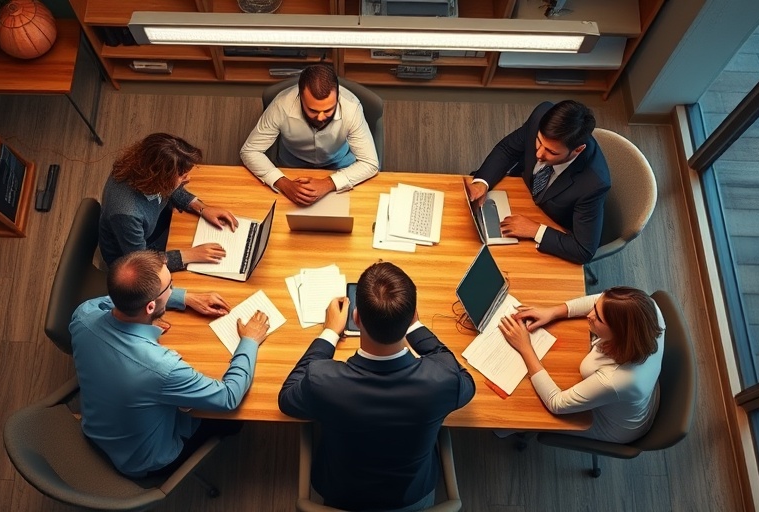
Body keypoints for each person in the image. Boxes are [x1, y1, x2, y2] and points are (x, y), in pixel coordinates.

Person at [278, 262, 475, 511]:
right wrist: (416, 327)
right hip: (413, 497)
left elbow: (287, 398)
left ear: (356, 318)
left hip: (341, 495)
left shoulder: (322, 380)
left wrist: (329, 332)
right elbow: (463, 378)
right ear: (412, 316)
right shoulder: (443, 380)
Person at [69, 250, 270, 477]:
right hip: (142, 461)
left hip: (97, 429)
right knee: (232, 422)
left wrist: (185, 298)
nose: (173, 289)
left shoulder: (84, 314)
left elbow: (115, 300)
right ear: (150, 307)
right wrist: (249, 341)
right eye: (170, 287)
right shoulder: (162, 368)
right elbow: (228, 397)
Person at [499, 286, 665, 443]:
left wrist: (525, 347)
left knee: (522, 410)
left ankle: (504, 429)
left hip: (611, 424)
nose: (589, 315)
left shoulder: (615, 379)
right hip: (629, 401)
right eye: (594, 307)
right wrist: (553, 312)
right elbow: (601, 301)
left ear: (619, 333)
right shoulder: (649, 311)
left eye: (598, 319)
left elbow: (557, 404)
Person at [467, 100, 611, 264]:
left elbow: (583, 251)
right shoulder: (541, 115)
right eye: (539, 141)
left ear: (578, 150)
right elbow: (508, 149)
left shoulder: (594, 184)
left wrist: (534, 230)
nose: (539, 154)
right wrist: (482, 182)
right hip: (521, 191)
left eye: (551, 151)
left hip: (552, 223)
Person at [240, 64, 379, 206]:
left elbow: (370, 163)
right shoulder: (281, 105)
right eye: (313, 110)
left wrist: (329, 183)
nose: (320, 117)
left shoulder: (351, 107)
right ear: (300, 96)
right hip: (291, 166)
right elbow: (250, 151)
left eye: (328, 110)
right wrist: (283, 183)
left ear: (337, 96)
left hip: (339, 164)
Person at [99, 133, 239, 273]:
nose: (188, 179)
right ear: (160, 178)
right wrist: (190, 255)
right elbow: (142, 263)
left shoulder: (140, 169)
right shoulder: (126, 214)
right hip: (133, 260)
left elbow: (168, 189)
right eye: (182, 176)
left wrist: (201, 208)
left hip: (152, 227)